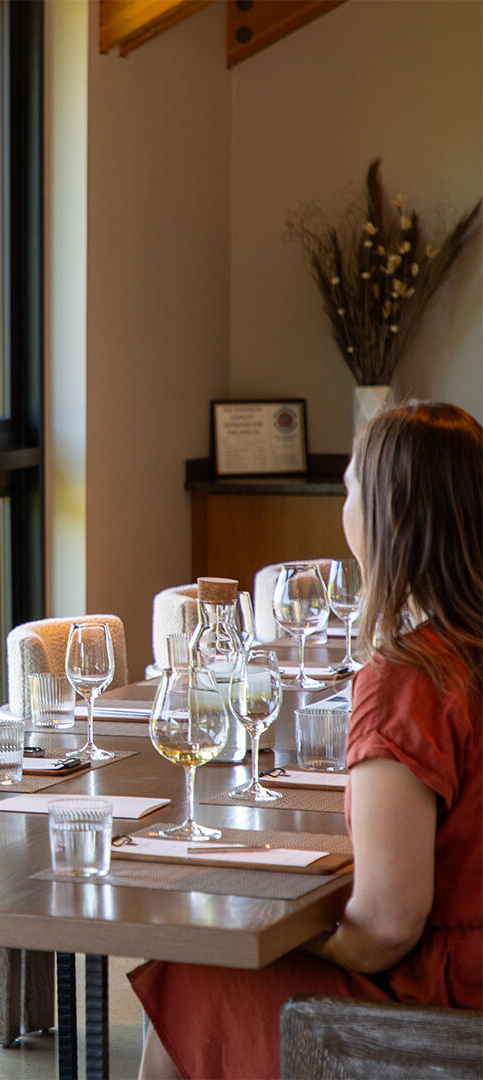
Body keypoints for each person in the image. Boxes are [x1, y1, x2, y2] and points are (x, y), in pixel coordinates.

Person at [129, 400, 482, 1079]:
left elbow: (386, 924)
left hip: (446, 1020)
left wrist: (306, 940)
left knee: (189, 970)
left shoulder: (412, 676)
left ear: (386, 514)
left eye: (349, 487)